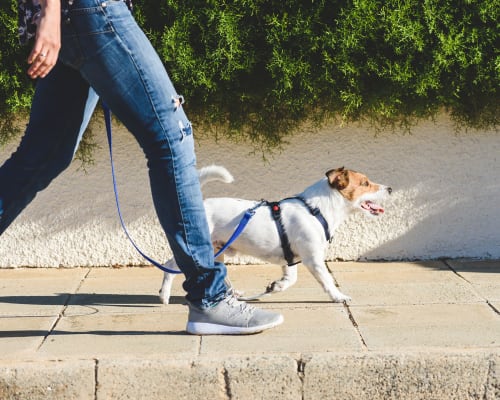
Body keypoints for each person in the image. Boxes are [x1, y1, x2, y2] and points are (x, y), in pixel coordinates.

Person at [4, 0, 283, 335]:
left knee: (44, 155)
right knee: (172, 137)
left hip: (78, 16)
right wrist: (51, 10)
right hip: (89, 9)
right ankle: (210, 297)